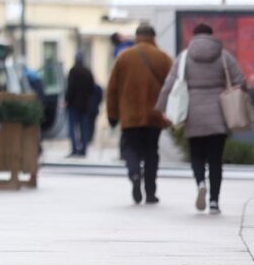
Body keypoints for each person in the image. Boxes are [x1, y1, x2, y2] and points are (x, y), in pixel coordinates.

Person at [157, 23, 249, 214]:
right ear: (210, 35)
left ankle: (200, 183)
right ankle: (214, 201)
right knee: (215, 160)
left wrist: (161, 107)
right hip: (219, 114)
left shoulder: (184, 57)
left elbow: (169, 84)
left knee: (197, 156)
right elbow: (240, 80)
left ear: (194, 36)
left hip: (194, 115)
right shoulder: (223, 56)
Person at [106, 23, 172, 205]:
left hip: (130, 115)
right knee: (152, 152)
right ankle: (150, 192)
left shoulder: (123, 57)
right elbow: (173, 87)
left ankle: (135, 173)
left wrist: (112, 115)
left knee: (130, 148)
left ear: (136, 37)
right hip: (154, 115)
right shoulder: (163, 58)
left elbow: (112, 89)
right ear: (154, 37)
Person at [65, 53, 96, 157]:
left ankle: (74, 149)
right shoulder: (88, 72)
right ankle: (83, 150)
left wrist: (67, 100)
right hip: (85, 105)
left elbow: (70, 88)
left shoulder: (73, 71)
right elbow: (92, 89)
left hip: (74, 104)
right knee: (84, 129)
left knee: (72, 128)